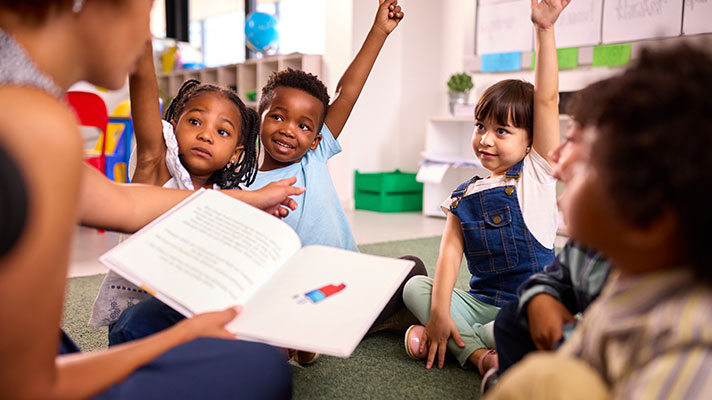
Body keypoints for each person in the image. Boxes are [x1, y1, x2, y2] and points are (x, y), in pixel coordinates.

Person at [0, 1, 301, 398]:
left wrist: (251, 201)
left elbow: (124, 204)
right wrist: (180, 339)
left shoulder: (22, 99)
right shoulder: (35, 122)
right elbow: (28, 389)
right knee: (259, 369)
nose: (148, 34)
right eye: (149, 8)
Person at [487, 43, 712, 399]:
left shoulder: (689, 346)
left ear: (647, 221)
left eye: (589, 164)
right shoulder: (629, 279)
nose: (559, 158)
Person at [402, 0, 569, 374]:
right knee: (416, 289)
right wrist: (441, 312)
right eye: (481, 127)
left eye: (502, 131)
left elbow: (546, 99)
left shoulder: (536, 175)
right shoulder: (463, 194)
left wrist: (545, 30)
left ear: (530, 141)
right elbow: (449, 256)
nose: (485, 140)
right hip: (479, 303)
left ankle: (454, 340)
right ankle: (478, 356)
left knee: (510, 327)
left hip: (529, 304)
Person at [89, 41, 262, 328]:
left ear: (235, 153)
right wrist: (141, 45)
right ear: (173, 125)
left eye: (222, 131)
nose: (206, 135)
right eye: (195, 122)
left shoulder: (228, 198)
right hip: (142, 320)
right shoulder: (156, 169)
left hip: (197, 315)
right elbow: (144, 94)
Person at [480, 79, 615, 394]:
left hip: (616, 370)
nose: (556, 161)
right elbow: (549, 281)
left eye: (572, 140)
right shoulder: (588, 249)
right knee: (514, 318)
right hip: (584, 347)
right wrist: (541, 299)